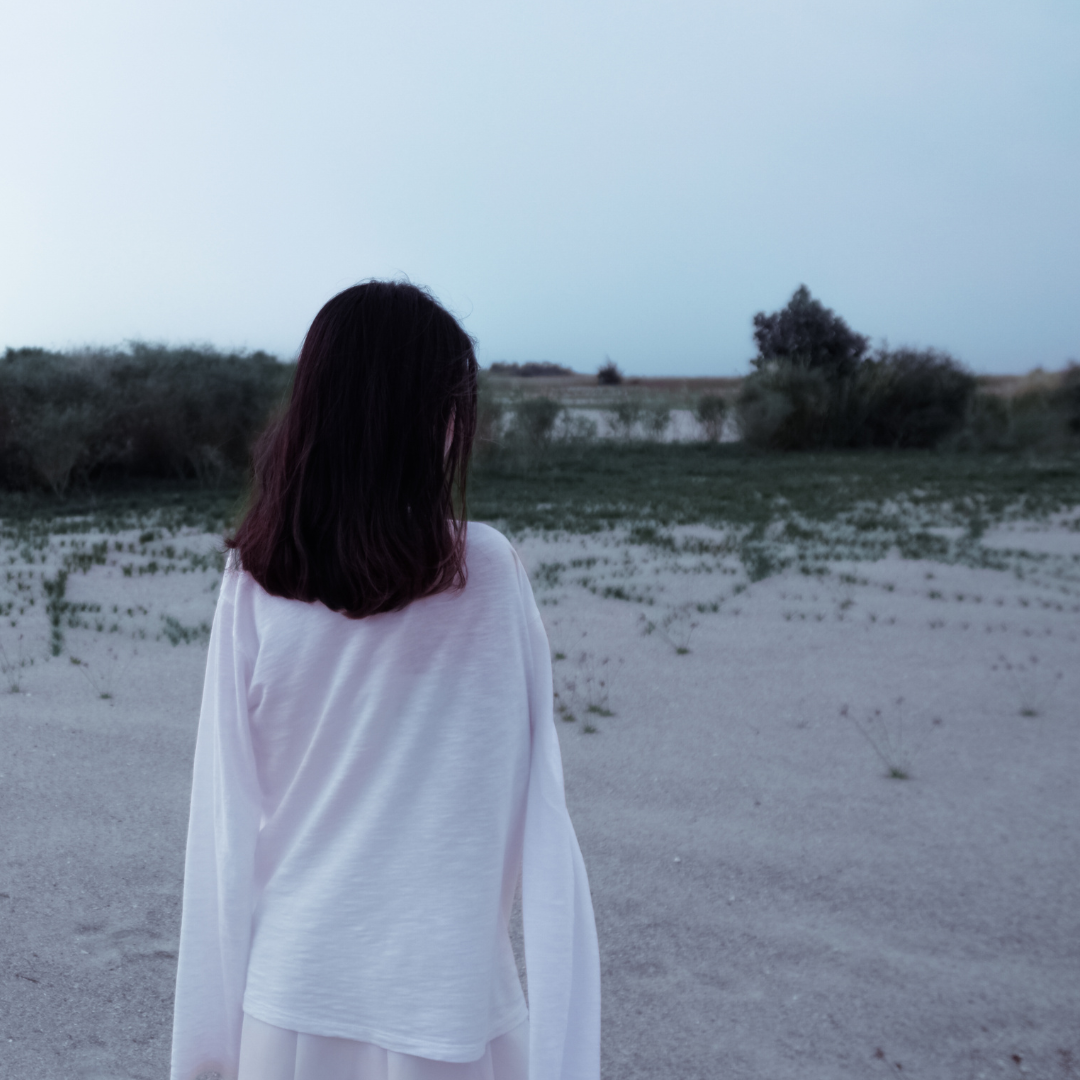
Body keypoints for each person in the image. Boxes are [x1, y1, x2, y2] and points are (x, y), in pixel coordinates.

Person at [169, 281, 601, 1080]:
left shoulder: (255, 579)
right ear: (433, 419)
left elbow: (222, 822)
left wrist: (203, 1058)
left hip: (292, 994)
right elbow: (540, 808)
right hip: (447, 995)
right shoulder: (486, 572)